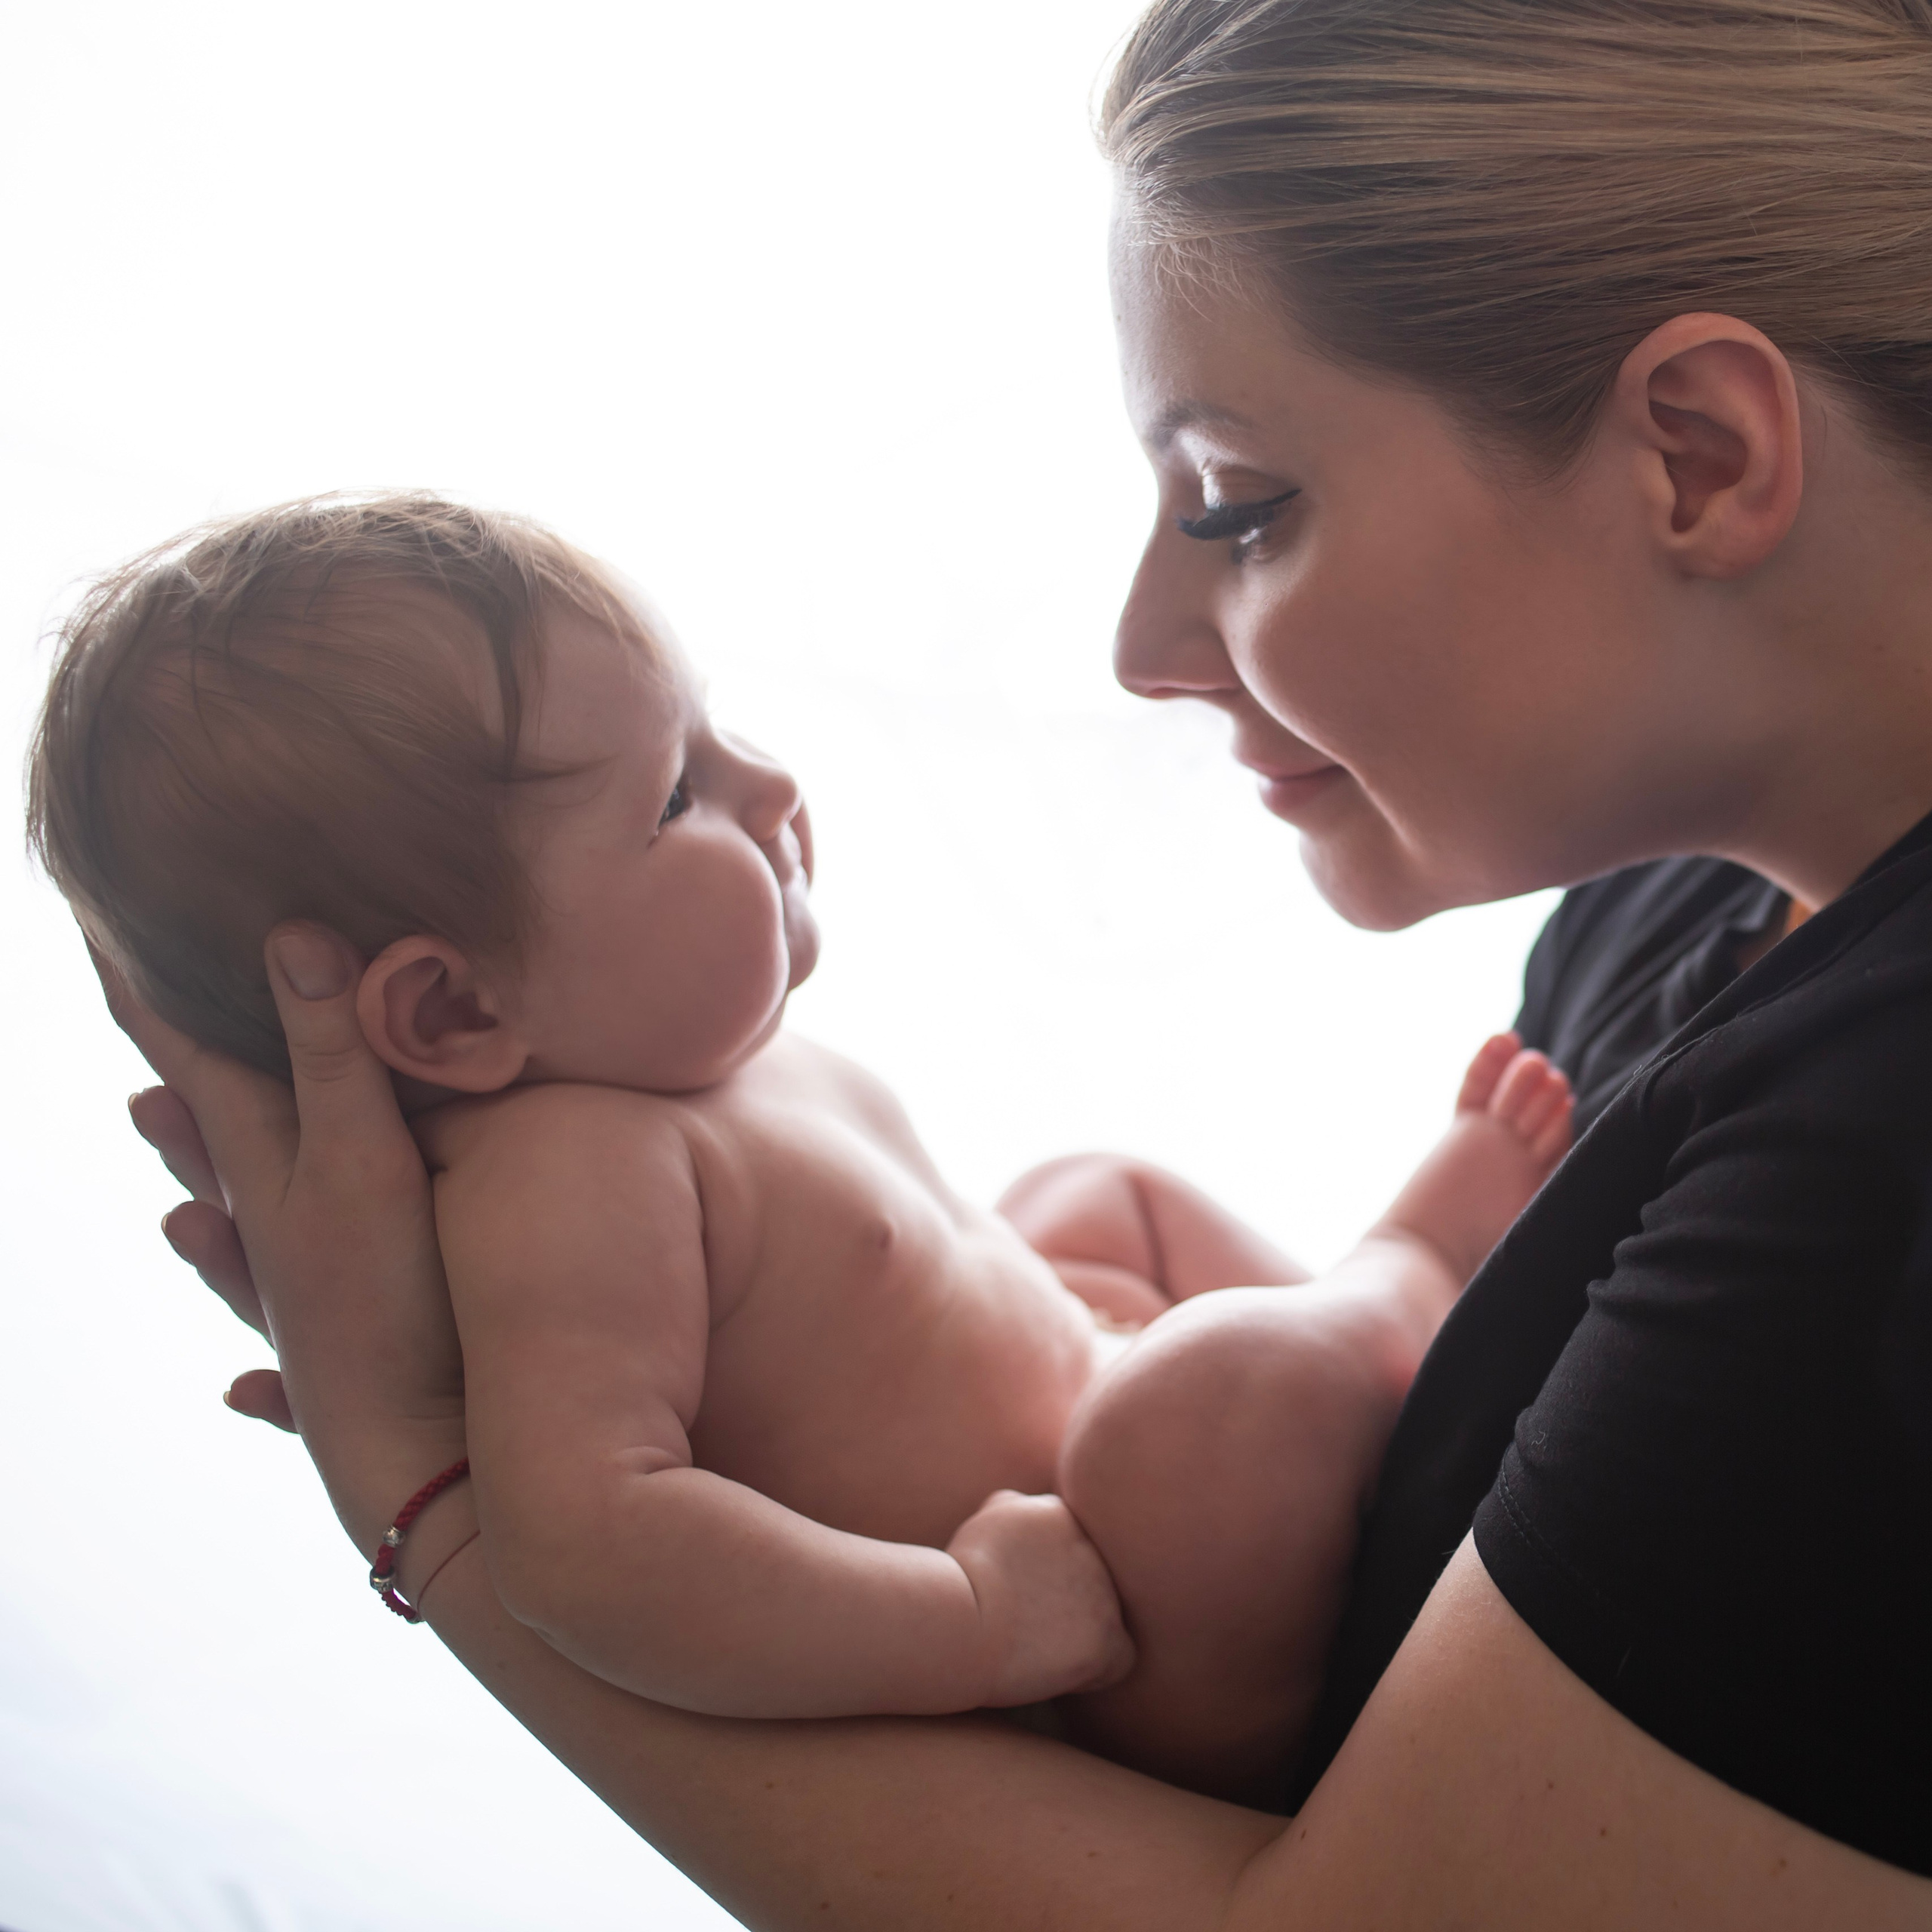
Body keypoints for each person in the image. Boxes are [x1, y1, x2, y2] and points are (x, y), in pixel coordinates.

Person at [94, 0, 1932, 1919]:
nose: (1141, 640)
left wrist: (432, 1498)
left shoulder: (1882, 1177)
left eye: (1237, 501)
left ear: (1696, 453)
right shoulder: (1671, 930)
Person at [32, 494, 1571, 1797]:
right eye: (678, 792)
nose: (771, 788)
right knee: (1198, 1401)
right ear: (447, 1008)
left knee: (1093, 1193)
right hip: (1111, 1629)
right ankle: (1410, 1269)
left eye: (716, 729)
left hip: (1088, 1432)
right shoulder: (561, 1183)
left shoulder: (678, 1070)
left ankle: (1337, 1408)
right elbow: (592, 1549)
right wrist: (973, 1617)